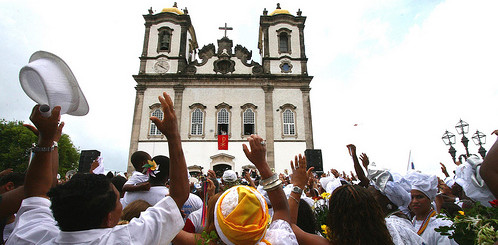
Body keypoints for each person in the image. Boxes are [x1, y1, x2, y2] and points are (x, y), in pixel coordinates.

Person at [7, 92, 189, 244]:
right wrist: (173, 135)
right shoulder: (126, 240)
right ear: (109, 218)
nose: (122, 204)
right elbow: (179, 195)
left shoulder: (31, 236)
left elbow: (36, 194)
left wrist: (47, 141)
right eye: (118, 200)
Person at [173, 135, 298, 244]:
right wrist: (262, 164)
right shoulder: (278, 240)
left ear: (218, 223)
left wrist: (173, 137)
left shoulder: (205, 242)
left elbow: (169, 230)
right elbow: (281, 208)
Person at [409, 172, 456, 245]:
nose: (414, 201)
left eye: (419, 197)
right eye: (411, 198)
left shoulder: (442, 225)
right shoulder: (410, 224)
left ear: (430, 199)